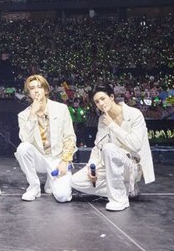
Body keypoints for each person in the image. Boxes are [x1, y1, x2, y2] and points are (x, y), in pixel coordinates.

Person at [54, 83, 155, 211]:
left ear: (112, 97)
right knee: (75, 181)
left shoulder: (134, 114)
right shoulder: (103, 119)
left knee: (109, 148)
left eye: (103, 99)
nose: (100, 104)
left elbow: (136, 144)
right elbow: (98, 147)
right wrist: (92, 167)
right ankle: (124, 190)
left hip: (130, 164)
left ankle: (119, 199)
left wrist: (113, 125)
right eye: (97, 102)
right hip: (108, 165)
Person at [15, 74, 77, 201]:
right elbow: (25, 139)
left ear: (46, 90)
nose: (36, 90)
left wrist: (65, 161)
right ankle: (34, 187)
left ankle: (52, 178)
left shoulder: (61, 109)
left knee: (63, 197)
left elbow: (70, 137)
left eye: (39, 87)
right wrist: (32, 114)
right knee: (23, 148)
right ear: (29, 93)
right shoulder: (23, 115)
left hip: (58, 158)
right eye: (32, 88)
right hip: (40, 158)